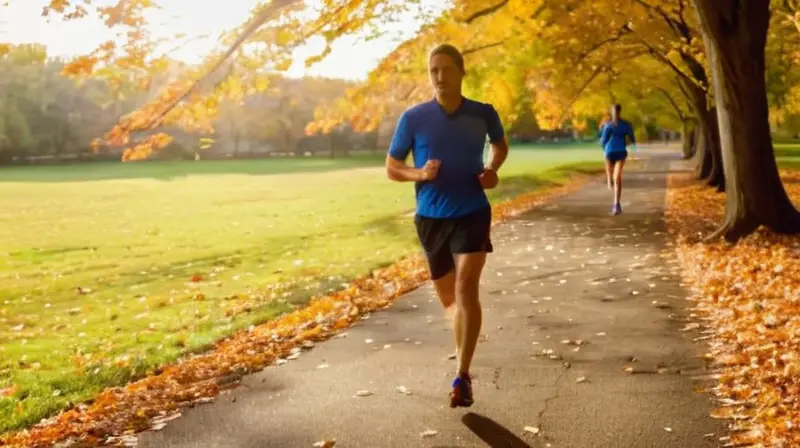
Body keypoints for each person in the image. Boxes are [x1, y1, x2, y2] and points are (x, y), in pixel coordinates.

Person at [385, 43, 509, 408]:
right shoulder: (414, 118)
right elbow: (392, 167)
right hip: (430, 218)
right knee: (451, 301)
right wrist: (418, 173)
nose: (439, 76)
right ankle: (463, 351)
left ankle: (462, 375)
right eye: (433, 70)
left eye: (446, 69)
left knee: (467, 285)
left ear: (461, 71)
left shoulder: (483, 113)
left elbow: (500, 146)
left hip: (471, 209)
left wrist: (492, 171)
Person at [599, 104, 635, 215]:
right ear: (620, 111)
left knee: (613, 172)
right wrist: (628, 140)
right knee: (617, 177)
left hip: (612, 152)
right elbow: (632, 139)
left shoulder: (609, 125)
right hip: (619, 151)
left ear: (612, 112)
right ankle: (616, 203)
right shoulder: (625, 125)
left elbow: (603, 141)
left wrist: (604, 148)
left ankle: (610, 180)